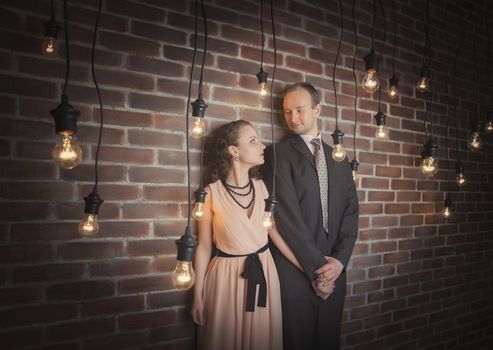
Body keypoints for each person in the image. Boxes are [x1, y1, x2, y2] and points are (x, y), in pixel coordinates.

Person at [191, 120, 313, 350]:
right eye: (253, 141)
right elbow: (204, 247)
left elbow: (273, 233)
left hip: (264, 272)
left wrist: (304, 267)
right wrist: (197, 296)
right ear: (234, 151)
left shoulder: (262, 188)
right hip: (226, 279)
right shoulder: (210, 194)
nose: (262, 146)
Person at [262, 82, 359, 350]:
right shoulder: (277, 154)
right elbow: (287, 218)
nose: (293, 118)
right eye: (287, 111)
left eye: (300, 110)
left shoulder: (339, 157)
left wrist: (339, 261)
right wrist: (319, 273)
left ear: (317, 109)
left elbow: (351, 213)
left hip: (335, 273)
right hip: (295, 272)